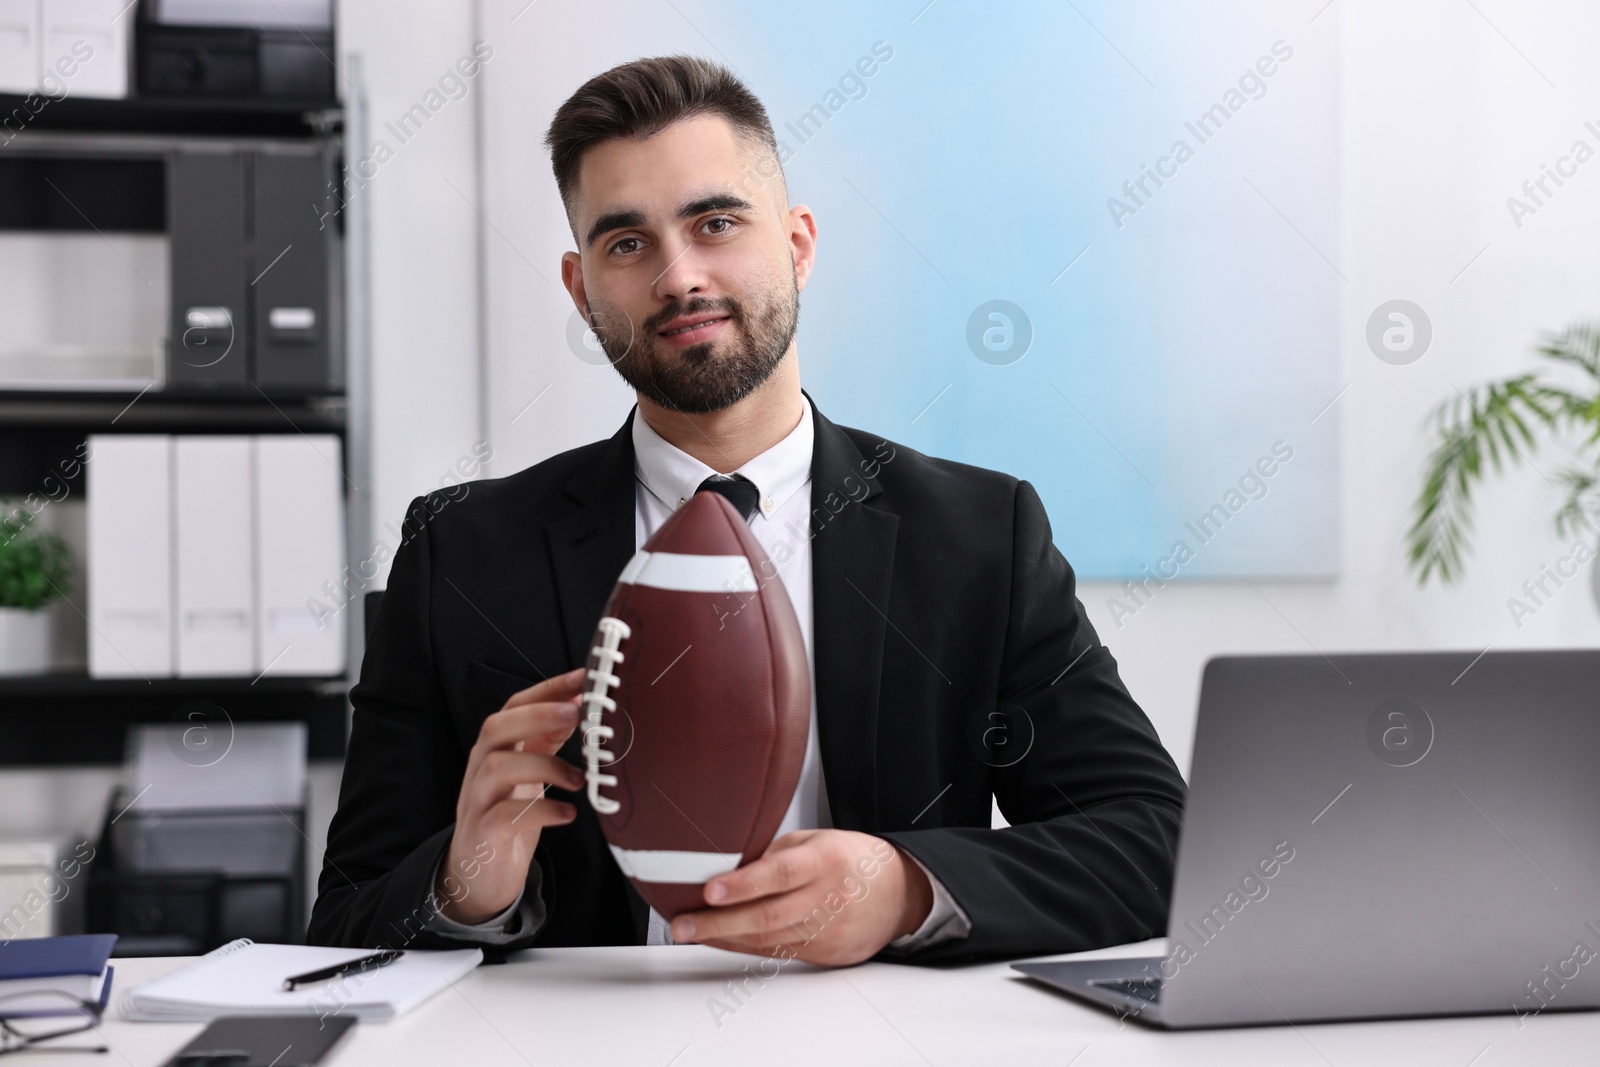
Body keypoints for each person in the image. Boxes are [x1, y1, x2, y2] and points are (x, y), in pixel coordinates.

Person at [308, 55, 1186, 966]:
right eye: (627, 243)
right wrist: (462, 887)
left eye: (716, 223)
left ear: (799, 244)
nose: (679, 277)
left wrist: (905, 887)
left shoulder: (978, 536)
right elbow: (341, 918)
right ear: (581, 289)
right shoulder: (461, 552)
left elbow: (1153, 844)